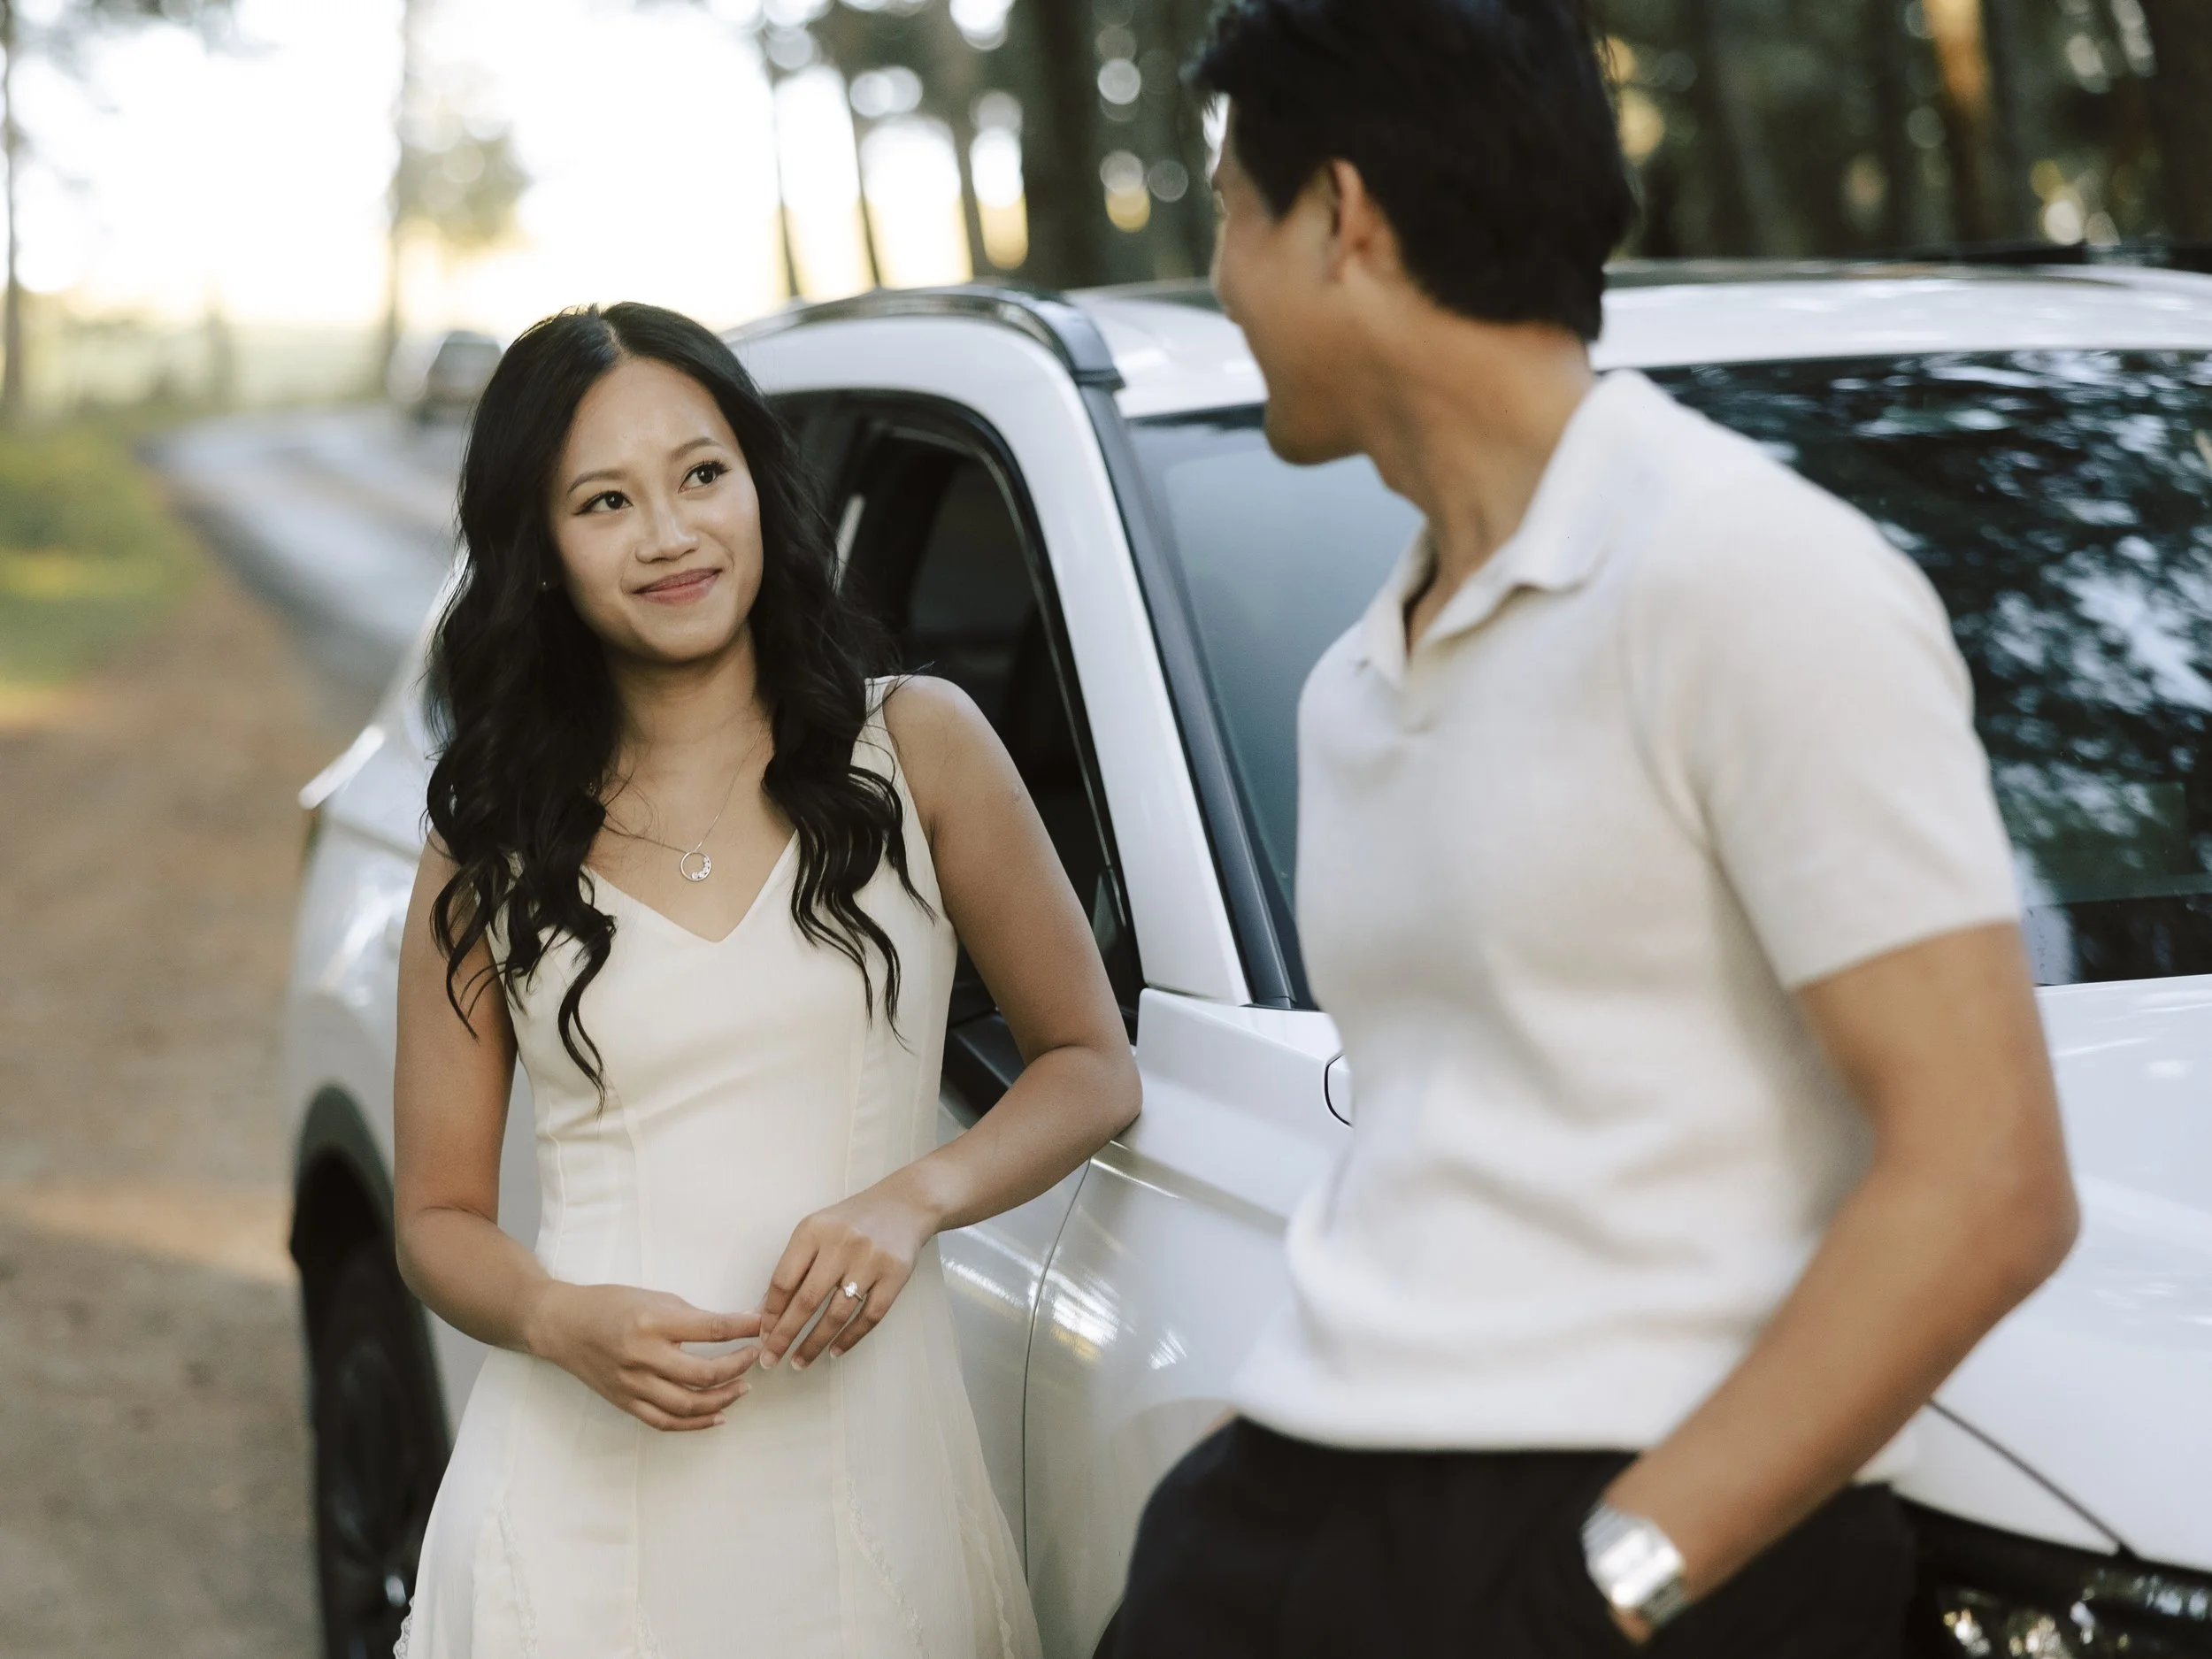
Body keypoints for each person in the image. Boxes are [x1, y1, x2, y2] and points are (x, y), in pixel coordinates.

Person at [1108, 2, 2078, 1653]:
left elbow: (1991, 1181)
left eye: (1228, 216)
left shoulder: (1746, 574)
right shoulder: (1357, 676)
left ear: (1342, 216)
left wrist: (1608, 1585)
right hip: (1302, 1507)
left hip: (1631, 1547)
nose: (1219, 279)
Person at [389, 303, 1140, 1659]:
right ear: (541, 553)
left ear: (758, 484)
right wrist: (558, 1317)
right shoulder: (488, 834)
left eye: (700, 474)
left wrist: (914, 1195)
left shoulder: (917, 746)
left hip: (868, 1490)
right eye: (605, 501)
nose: (669, 534)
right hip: (577, 1516)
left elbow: (1091, 1065)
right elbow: (437, 1215)